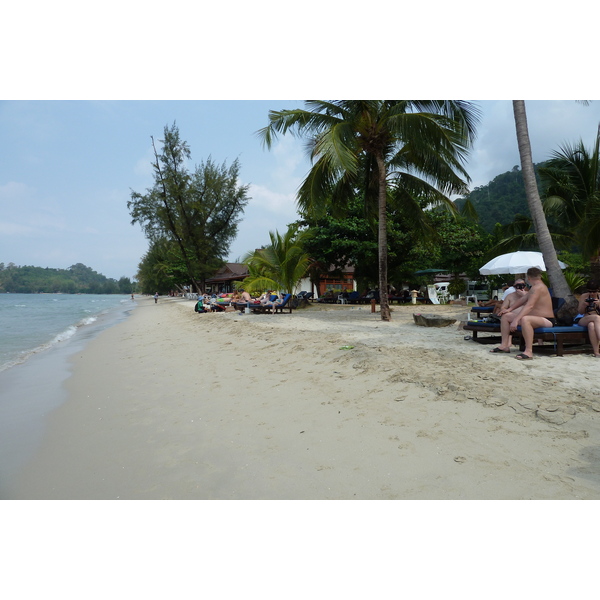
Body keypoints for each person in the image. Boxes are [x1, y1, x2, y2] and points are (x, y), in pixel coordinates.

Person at [490, 267, 555, 359]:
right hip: (535, 319)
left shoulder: (538, 288)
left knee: (525, 319)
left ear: (528, 278)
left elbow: (529, 306)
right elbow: (523, 299)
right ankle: (504, 345)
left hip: (547, 320)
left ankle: (529, 351)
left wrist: (516, 320)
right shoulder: (534, 288)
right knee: (506, 316)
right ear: (540, 276)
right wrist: (509, 309)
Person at [574, 285, 600, 357]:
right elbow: (580, 312)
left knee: (591, 325)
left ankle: (596, 352)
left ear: (598, 290)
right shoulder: (584, 296)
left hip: (596, 321)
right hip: (585, 318)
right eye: (590, 291)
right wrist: (584, 305)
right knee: (596, 318)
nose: (592, 293)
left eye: (594, 292)